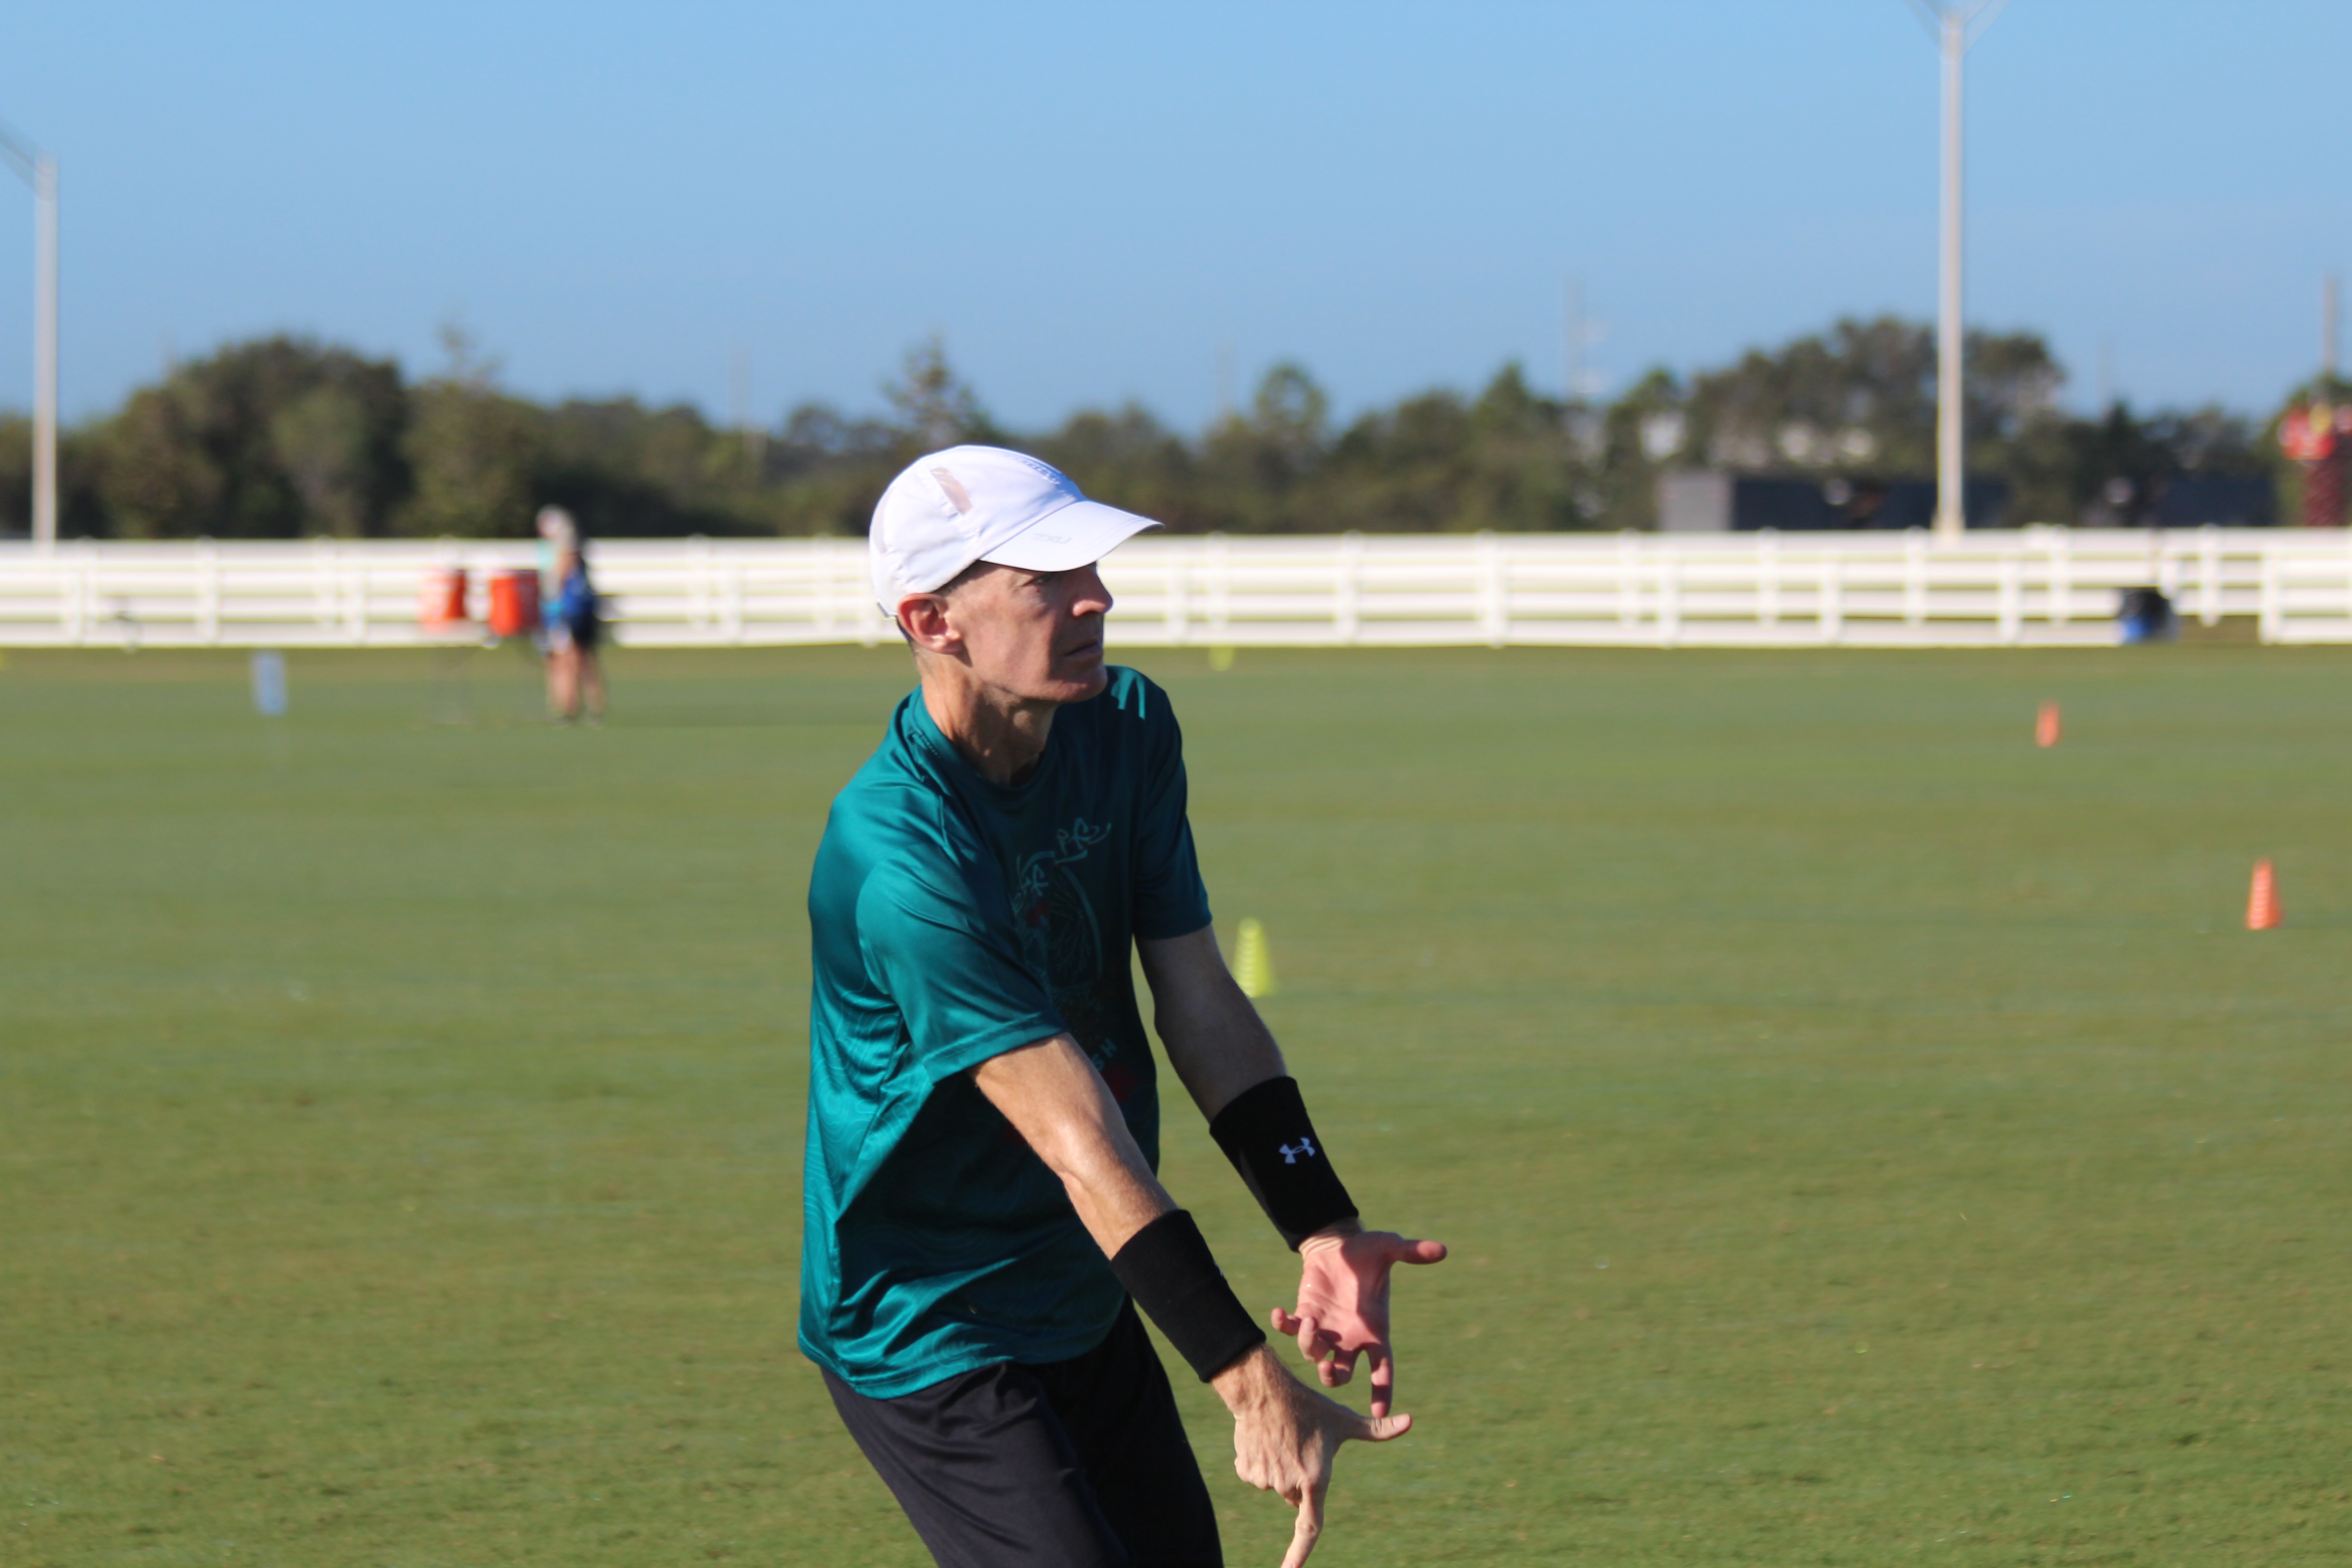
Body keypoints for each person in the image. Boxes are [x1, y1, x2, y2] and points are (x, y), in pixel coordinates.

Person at [801, 445, 1447, 1568]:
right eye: (1044, 581)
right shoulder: (898, 859)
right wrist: (1250, 1382)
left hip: (1086, 1276)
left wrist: (1321, 1222)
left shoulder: (1126, 724)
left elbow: (1198, 997)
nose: (1095, 596)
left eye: (1090, 566)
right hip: (929, 1318)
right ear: (932, 620)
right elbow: (1075, 1136)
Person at [537, 510, 605, 724]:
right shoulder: (554, 550)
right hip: (561, 611)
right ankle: (571, 706)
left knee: (574, 658)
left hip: (569, 611)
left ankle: (574, 706)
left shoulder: (568, 553)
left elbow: (558, 580)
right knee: (565, 659)